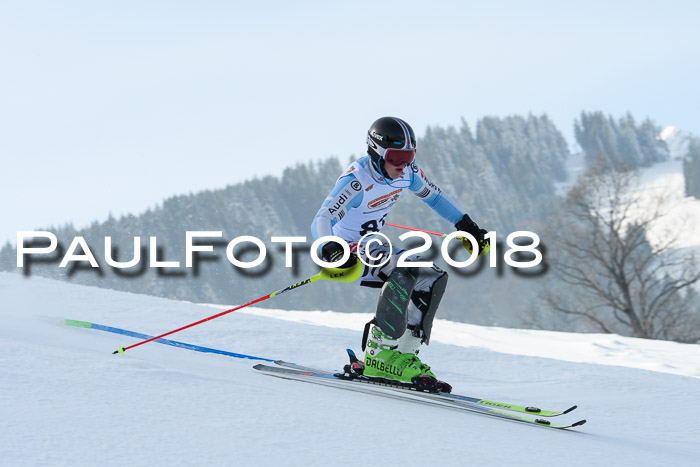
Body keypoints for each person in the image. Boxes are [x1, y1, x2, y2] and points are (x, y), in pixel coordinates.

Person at [311, 116, 489, 392]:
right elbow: (321, 220)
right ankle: (379, 354)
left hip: (374, 247)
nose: (403, 164)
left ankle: (402, 355)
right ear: (377, 152)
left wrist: (466, 226)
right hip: (346, 256)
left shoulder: (407, 173)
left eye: (409, 155)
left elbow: (435, 197)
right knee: (407, 267)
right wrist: (330, 246)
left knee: (433, 277)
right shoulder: (356, 181)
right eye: (397, 157)